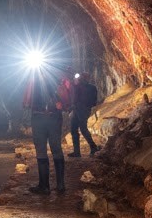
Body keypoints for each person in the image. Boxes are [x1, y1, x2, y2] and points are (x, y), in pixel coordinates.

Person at [23, 67, 74, 195]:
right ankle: (59, 185)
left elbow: (26, 102)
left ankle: (45, 186)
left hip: (40, 117)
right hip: (53, 118)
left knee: (42, 151)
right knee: (55, 149)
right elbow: (67, 102)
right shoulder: (58, 81)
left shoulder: (34, 82)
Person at [70, 72, 99, 156]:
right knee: (73, 130)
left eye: (82, 78)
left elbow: (92, 101)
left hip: (83, 110)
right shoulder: (79, 87)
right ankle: (77, 152)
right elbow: (75, 98)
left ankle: (93, 147)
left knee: (83, 129)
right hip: (76, 110)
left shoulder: (91, 88)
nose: (80, 79)